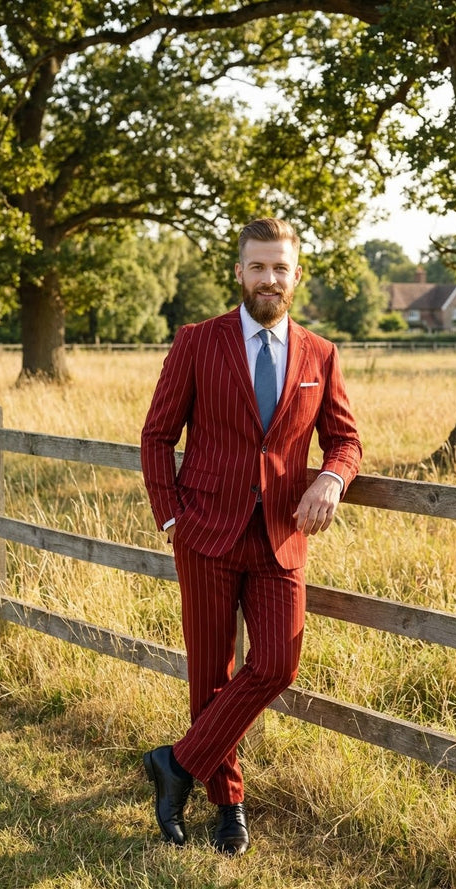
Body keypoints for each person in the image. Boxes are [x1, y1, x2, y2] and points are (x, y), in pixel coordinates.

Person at [141, 217, 362, 855]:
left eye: (281, 268)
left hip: (281, 539)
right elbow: (158, 435)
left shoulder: (320, 354)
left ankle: (176, 765)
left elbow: (344, 440)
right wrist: (171, 514)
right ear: (239, 272)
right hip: (204, 533)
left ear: (296, 275)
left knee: (275, 663)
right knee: (211, 676)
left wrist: (332, 479)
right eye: (258, 267)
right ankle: (229, 806)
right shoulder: (196, 342)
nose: (270, 279)